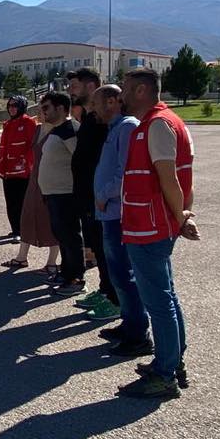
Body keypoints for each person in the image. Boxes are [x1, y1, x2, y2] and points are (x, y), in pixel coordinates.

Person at [118, 68, 200, 400]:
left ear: (140, 91)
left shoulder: (158, 125)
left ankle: (165, 374)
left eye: (124, 88)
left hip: (151, 226)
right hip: (150, 225)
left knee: (159, 301)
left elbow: (171, 178)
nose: (120, 95)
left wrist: (180, 217)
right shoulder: (161, 122)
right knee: (166, 296)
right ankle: (171, 360)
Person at [90, 85, 146, 341]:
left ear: (112, 102)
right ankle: (129, 322)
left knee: (124, 273)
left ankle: (137, 332)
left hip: (117, 213)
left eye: (97, 103)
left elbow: (126, 172)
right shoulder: (115, 129)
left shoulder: (127, 128)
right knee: (118, 274)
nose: (93, 109)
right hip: (108, 213)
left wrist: (103, 195)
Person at [67, 68, 119, 313]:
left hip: (100, 198)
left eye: (74, 86)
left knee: (108, 249)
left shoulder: (104, 123)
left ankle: (115, 299)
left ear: (90, 87)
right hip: (88, 196)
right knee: (97, 247)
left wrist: (102, 193)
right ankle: (106, 289)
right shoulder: (89, 118)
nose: (69, 91)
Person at [36, 91, 84, 295]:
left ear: (61, 108)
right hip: (54, 193)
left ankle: (76, 279)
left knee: (70, 236)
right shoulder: (57, 129)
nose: (42, 112)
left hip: (66, 194)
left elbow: (80, 159)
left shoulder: (70, 129)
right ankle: (66, 273)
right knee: (62, 235)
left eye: (46, 107)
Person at [0, 95, 38, 264]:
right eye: (10, 105)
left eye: (15, 105)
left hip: (22, 173)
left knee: (21, 203)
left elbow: (31, 147)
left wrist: (27, 165)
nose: (12, 108)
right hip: (8, 172)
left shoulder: (28, 123)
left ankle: (22, 231)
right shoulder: (7, 124)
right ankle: (15, 229)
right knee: (11, 202)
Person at [18, 118, 62, 276]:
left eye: (46, 107)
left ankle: (52, 262)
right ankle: (21, 256)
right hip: (36, 178)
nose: (41, 112)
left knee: (51, 219)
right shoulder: (38, 129)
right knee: (28, 215)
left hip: (53, 180)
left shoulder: (61, 129)